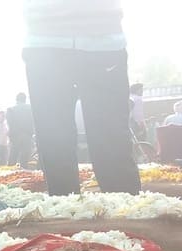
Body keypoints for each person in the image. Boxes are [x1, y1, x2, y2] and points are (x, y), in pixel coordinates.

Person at [22, 0, 139, 196]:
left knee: (112, 135)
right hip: (45, 39)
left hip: (102, 37)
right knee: (53, 135)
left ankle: (126, 212)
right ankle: (64, 211)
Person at [7, 92, 35, 166]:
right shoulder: (31, 108)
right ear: (25, 99)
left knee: (12, 158)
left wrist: (11, 137)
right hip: (27, 136)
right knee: (24, 160)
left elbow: (9, 124)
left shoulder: (10, 109)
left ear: (16, 100)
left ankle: (9, 175)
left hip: (15, 137)